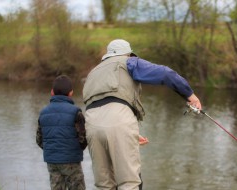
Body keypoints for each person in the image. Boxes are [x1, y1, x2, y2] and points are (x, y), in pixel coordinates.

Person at [83, 39, 202, 190]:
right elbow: (165, 74)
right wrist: (190, 95)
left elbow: (101, 107)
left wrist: (128, 132)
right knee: (129, 183)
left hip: (91, 125)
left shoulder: (94, 71)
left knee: (104, 184)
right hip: (119, 121)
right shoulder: (129, 62)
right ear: (128, 53)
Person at [36, 75, 87, 190]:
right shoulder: (76, 112)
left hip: (52, 161)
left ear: (52, 92)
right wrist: (74, 150)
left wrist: (52, 149)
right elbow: (83, 138)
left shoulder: (43, 113)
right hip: (72, 161)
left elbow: (39, 140)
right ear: (71, 93)